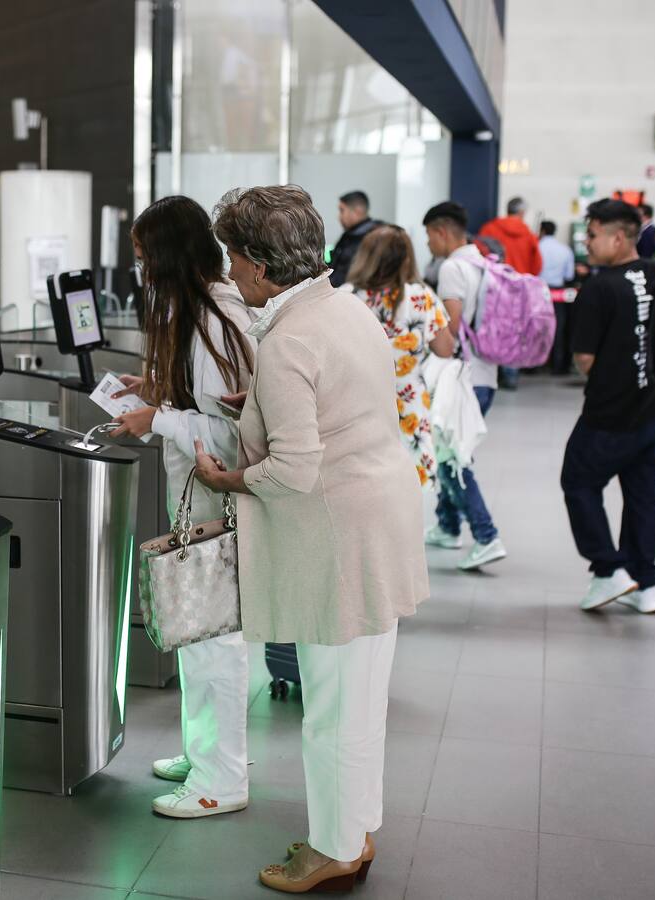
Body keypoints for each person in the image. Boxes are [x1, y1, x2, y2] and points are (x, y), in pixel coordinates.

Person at [196, 184, 428, 893]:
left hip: (336, 544)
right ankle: (352, 833)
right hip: (379, 524)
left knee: (330, 711)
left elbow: (294, 469)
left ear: (263, 267)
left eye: (234, 257)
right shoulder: (344, 306)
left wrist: (226, 479)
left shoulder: (290, 339)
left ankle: (331, 849)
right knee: (359, 702)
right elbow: (346, 401)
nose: (229, 272)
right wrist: (262, 400)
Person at [108, 195, 256, 820]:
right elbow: (205, 401)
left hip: (210, 500)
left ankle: (221, 778)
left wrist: (156, 417)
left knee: (212, 637)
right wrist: (159, 392)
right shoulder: (200, 312)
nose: (141, 270)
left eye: (145, 258)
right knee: (200, 633)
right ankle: (205, 753)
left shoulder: (215, 320)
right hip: (194, 496)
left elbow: (232, 430)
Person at [562, 198, 655, 615]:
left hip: (610, 413)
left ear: (617, 237)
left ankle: (608, 569)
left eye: (591, 235)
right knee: (644, 496)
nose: (587, 243)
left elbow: (585, 358)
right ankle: (646, 585)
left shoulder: (599, 287)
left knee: (578, 482)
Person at [421, 201, 507, 571]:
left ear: (442, 232)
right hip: (486, 373)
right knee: (448, 451)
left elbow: (449, 330)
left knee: (455, 459)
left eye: (428, 236)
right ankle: (448, 524)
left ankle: (486, 535)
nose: (427, 245)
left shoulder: (453, 267)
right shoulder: (483, 261)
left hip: (461, 377)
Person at [349, 224, 455, 489]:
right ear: (407, 258)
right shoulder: (421, 298)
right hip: (409, 411)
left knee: (364, 489)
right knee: (409, 490)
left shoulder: (347, 297)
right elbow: (446, 348)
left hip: (356, 409)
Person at [480, 197, 541, 390]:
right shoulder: (528, 234)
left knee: (492, 328)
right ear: (522, 212)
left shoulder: (489, 229)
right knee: (515, 331)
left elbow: (480, 254)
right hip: (519, 288)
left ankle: (491, 372)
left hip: (493, 287)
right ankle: (511, 375)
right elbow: (537, 265)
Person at [540, 220, 577, 375]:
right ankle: (558, 364)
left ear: (542, 231)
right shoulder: (565, 250)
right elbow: (569, 275)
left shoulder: (536, 246)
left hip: (538, 291)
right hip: (558, 293)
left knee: (538, 327)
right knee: (558, 328)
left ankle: (534, 365)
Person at [327, 190, 379, 288]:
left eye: (342, 210)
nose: (339, 216)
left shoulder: (370, 238)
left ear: (357, 211)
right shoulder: (349, 235)